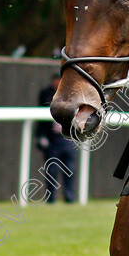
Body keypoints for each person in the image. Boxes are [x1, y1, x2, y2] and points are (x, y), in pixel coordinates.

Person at [36, 74, 77, 203]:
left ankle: (69, 197)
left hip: (67, 137)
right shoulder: (46, 94)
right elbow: (41, 116)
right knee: (51, 170)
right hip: (52, 138)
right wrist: (41, 136)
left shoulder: (72, 93)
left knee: (69, 169)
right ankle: (50, 198)